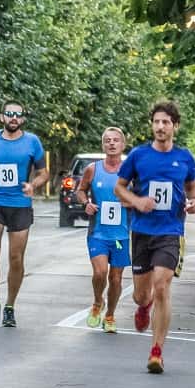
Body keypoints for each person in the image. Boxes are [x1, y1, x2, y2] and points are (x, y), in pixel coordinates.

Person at [113, 100, 195, 374]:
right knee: (142, 295)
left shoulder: (185, 158)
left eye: (166, 122)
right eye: (156, 122)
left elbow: (193, 190)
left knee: (162, 286)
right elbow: (119, 188)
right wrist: (137, 201)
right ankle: (144, 305)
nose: (160, 127)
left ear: (175, 126)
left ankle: (157, 351)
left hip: (170, 231)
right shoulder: (139, 156)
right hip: (141, 231)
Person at [0, 100, 48, 327]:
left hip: (20, 205)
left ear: (23, 119)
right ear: (2, 117)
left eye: (18, 114)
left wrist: (33, 185)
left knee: (16, 259)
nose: (13, 118)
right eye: (9, 114)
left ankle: (9, 306)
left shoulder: (32, 142)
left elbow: (44, 172)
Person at [75, 126, 131, 333]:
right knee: (100, 273)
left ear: (122, 145)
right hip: (97, 233)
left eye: (116, 140)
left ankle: (110, 315)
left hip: (121, 235)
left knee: (115, 279)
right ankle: (98, 302)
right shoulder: (92, 169)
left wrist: (131, 202)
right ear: (103, 145)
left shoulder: (129, 171)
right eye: (107, 140)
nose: (112, 143)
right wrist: (86, 203)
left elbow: (142, 195)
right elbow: (80, 190)